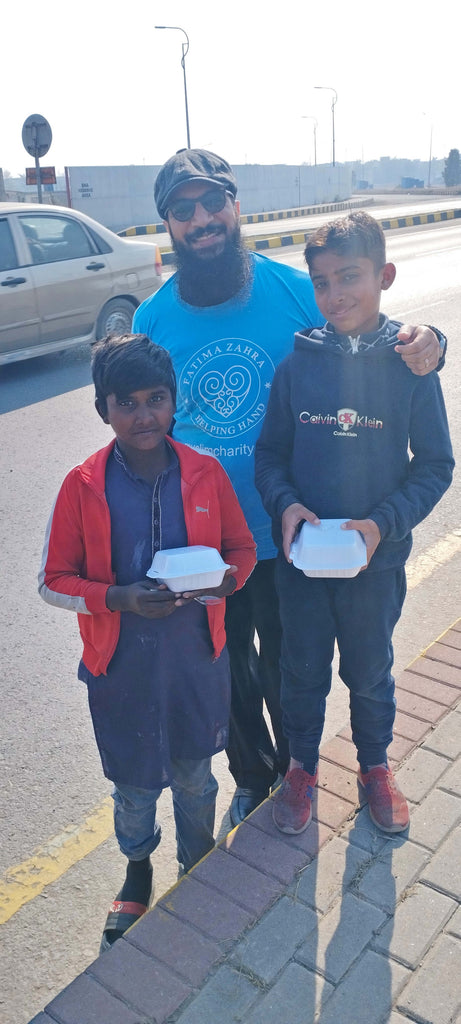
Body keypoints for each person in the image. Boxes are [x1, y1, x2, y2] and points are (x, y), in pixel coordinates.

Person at [133, 148, 446, 827]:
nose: (200, 219)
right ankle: (255, 778)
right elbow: (141, 423)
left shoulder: (296, 288)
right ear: (168, 224)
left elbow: (372, 330)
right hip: (207, 542)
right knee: (227, 670)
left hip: (291, 545)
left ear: (234, 205)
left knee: (292, 667)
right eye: (182, 210)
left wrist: (432, 341)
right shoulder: (151, 319)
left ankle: (300, 771)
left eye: (211, 201)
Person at [38, 334, 256, 950]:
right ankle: (137, 869)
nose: (143, 415)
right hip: (121, 669)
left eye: (156, 399)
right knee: (133, 787)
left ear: (174, 401)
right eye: (126, 402)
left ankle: (197, 864)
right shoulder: (82, 485)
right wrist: (119, 598)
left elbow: (241, 550)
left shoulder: (205, 473)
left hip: (195, 662)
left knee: (196, 777)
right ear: (102, 409)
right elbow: (53, 582)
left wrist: (223, 582)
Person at [254, 211, 454, 835]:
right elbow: (270, 456)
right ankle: (301, 769)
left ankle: (374, 767)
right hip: (303, 565)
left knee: (369, 673)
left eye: (349, 277)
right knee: (301, 672)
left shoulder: (410, 367)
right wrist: (286, 505)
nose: (335, 295)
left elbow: (436, 465)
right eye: (322, 283)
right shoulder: (295, 368)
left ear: (383, 276)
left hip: (377, 562)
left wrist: (382, 524)